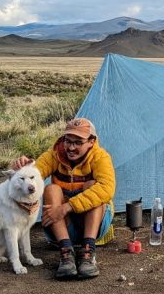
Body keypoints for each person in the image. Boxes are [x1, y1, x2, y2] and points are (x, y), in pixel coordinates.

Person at [11, 117, 115, 280]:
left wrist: (66, 207)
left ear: (91, 141)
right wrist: (22, 169)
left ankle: (88, 252)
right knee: (52, 189)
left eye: (78, 142)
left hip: (94, 227)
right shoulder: (54, 155)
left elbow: (107, 189)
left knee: (92, 186)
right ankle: (66, 253)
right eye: (68, 140)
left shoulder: (100, 157)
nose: (71, 147)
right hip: (63, 229)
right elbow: (33, 175)